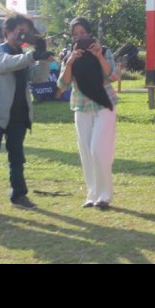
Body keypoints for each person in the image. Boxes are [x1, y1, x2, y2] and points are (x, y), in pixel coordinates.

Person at [0, 15, 51, 218]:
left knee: (17, 159)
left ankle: (19, 196)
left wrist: (43, 58)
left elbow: (38, 77)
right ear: (7, 31)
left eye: (26, 30)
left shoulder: (24, 55)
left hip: (18, 115)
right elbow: (5, 65)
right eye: (19, 29)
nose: (22, 34)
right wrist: (33, 56)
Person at [57, 17, 118, 210]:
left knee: (98, 149)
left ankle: (104, 195)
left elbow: (113, 76)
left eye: (83, 33)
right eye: (75, 34)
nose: (79, 38)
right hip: (80, 105)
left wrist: (99, 56)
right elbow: (62, 83)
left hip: (104, 104)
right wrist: (70, 61)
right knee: (86, 152)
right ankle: (92, 194)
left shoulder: (104, 51)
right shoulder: (69, 55)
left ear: (90, 33)